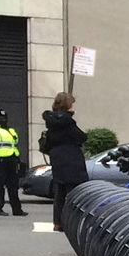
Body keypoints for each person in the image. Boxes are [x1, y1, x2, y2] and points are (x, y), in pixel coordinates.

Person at [40, 91, 88, 231]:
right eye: (71, 105)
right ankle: (72, 222)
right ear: (67, 106)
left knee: (60, 191)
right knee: (74, 192)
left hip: (57, 158)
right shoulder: (68, 122)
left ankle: (58, 222)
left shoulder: (51, 122)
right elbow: (82, 137)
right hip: (71, 159)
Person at [0, 108, 26, 216]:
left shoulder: (11, 130)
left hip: (11, 161)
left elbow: (13, 146)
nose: (2, 120)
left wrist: (18, 160)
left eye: (4, 118)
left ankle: (17, 210)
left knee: (13, 187)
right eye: (0, 118)